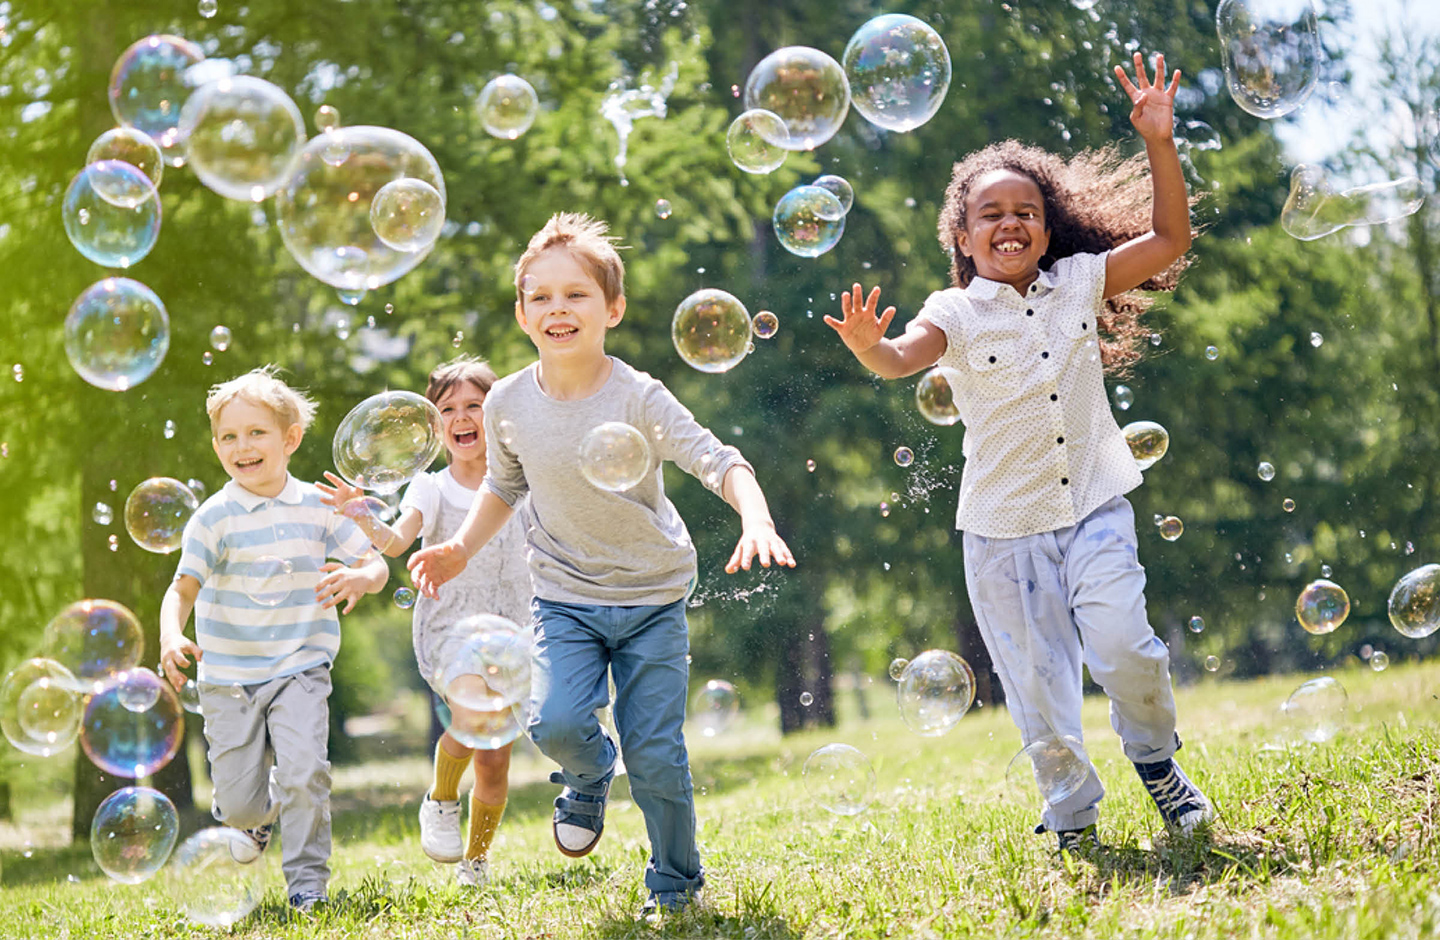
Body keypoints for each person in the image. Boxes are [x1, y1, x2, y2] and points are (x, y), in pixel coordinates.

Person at [825, 53, 1214, 852]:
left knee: (1127, 649)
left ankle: (1157, 764)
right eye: (990, 213)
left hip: (1096, 503)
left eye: (1026, 210)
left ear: (1048, 224)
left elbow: (1172, 238)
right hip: (1003, 532)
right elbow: (903, 358)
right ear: (962, 236)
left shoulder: (1079, 280)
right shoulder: (955, 312)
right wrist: (870, 346)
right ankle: (1071, 819)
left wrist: (1159, 142)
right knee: (1038, 694)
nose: (1010, 222)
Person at [408, 212, 796, 916]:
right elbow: (503, 485)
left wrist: (756, 516)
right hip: (563, 597)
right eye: (542, 296)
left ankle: (676, 886)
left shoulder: (638, 395)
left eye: (577, 294)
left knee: (656, 755)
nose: (559, 308)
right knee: (553, 723)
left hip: (651, 595)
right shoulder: (507, 402)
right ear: (523, 314)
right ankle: (587, 774)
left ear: (611, 308)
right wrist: (459, 547)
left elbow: (717, 459)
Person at [158, 366, 389, 912]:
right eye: (229, 437)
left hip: (300, 667)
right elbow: (181, 587)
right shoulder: (213, 518)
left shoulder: (318, 506)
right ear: (216, 445)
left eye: (256, 432)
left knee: (306, 772)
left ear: (290, 439)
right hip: (228, 678)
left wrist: (362, 577)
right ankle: (255, 823)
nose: (242, 447)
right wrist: (171, 634)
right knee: (238, 805)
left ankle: (307, 886)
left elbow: (374, 562)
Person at [316, 356, 530, 889]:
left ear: (496, 413)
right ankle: (439, 800)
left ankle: (476, 861)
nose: (462, 418)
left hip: (518, 629)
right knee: (471, 717)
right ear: (435, 427)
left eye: (474, 406)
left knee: (496, 762)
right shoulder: (430, 489)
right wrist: (362, 514)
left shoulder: (525, 477)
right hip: (452, 627)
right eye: (448, 409)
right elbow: (395, 542)